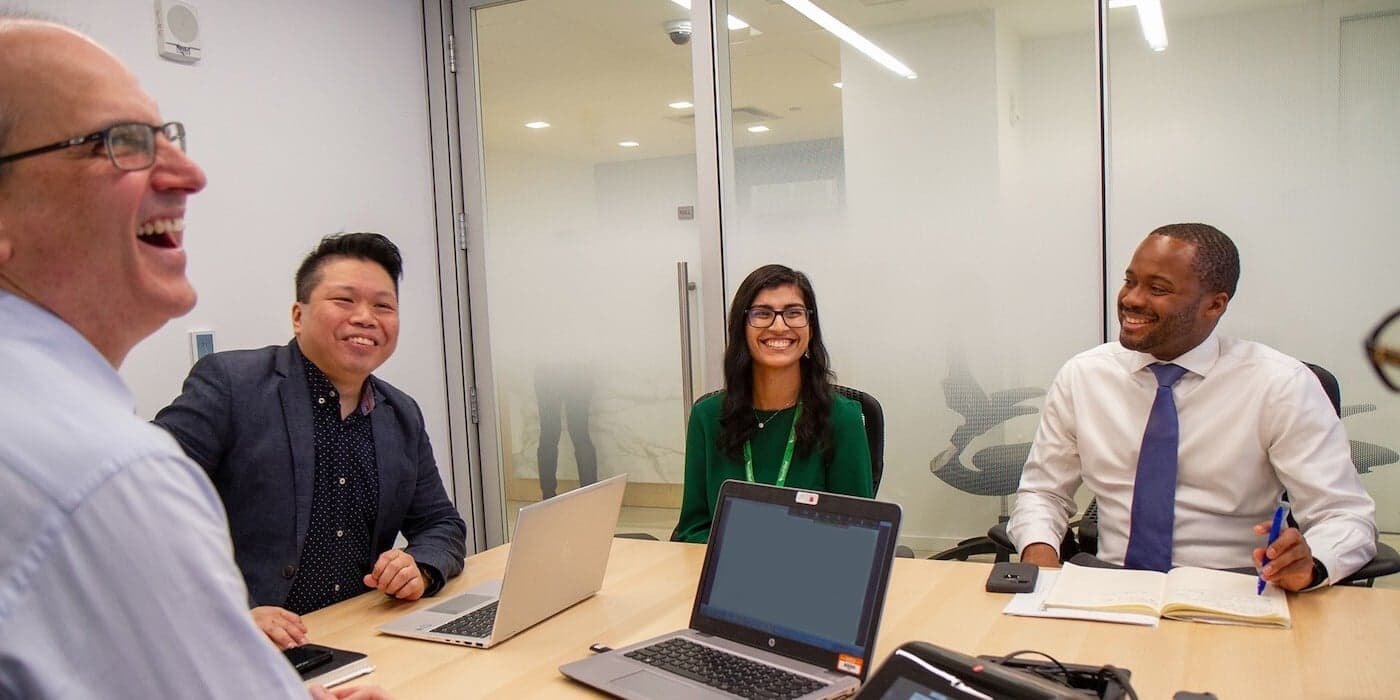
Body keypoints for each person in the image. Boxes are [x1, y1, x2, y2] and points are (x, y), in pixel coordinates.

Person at [0, 16, 383, 698]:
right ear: (297, 314)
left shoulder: (398, 412)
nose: (190, 175)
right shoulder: (112, 473)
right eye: (120, 141)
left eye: (166, 136)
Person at [1008, 223, 1377, 591]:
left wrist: (1312, 565)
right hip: (1109, 586)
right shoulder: (1084, 376)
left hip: (1238, 588)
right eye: (1130, 281)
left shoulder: (1281, 385)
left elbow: (1344, 516)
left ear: (1214, 305)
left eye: (1157, 289)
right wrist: (1041, 558)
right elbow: (1043, 493)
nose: (1132, 299)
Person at [154, 232, 468, 648]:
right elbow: (147, 503)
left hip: (356, 638)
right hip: (241, 644)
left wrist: (419, 567)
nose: (365, 317)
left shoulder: (400, 413)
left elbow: (441, 524)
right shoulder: (232, 385)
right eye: (344, 300)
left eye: (383, 306)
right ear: (298, 316)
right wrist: (230, 608)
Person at [672, 264, 873, 543]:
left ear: (810, 328)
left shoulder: (842, 419)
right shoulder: (707, 417)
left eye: (793, 313)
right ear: (741, 328)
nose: (779, 326)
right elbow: (693, 531)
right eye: (763, 314)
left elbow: (858, 532)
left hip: (810, 566)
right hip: (728, 566)